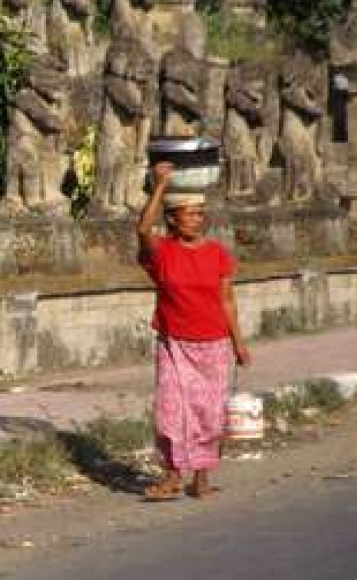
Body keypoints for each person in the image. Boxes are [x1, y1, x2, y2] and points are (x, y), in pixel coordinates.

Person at [137, 162, 252, 500]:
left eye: (200, 214)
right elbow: (142, 229)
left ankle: (201, 477)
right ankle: (172, 475)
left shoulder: (217, 254)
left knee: (208, 413)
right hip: (174, 344)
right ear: (173, 219)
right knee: (169, 410)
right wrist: (160, 185)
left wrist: (238, 343)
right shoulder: (162, 252)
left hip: (213, 344)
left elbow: (227, 301)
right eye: (190, 214)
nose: (197, 219)